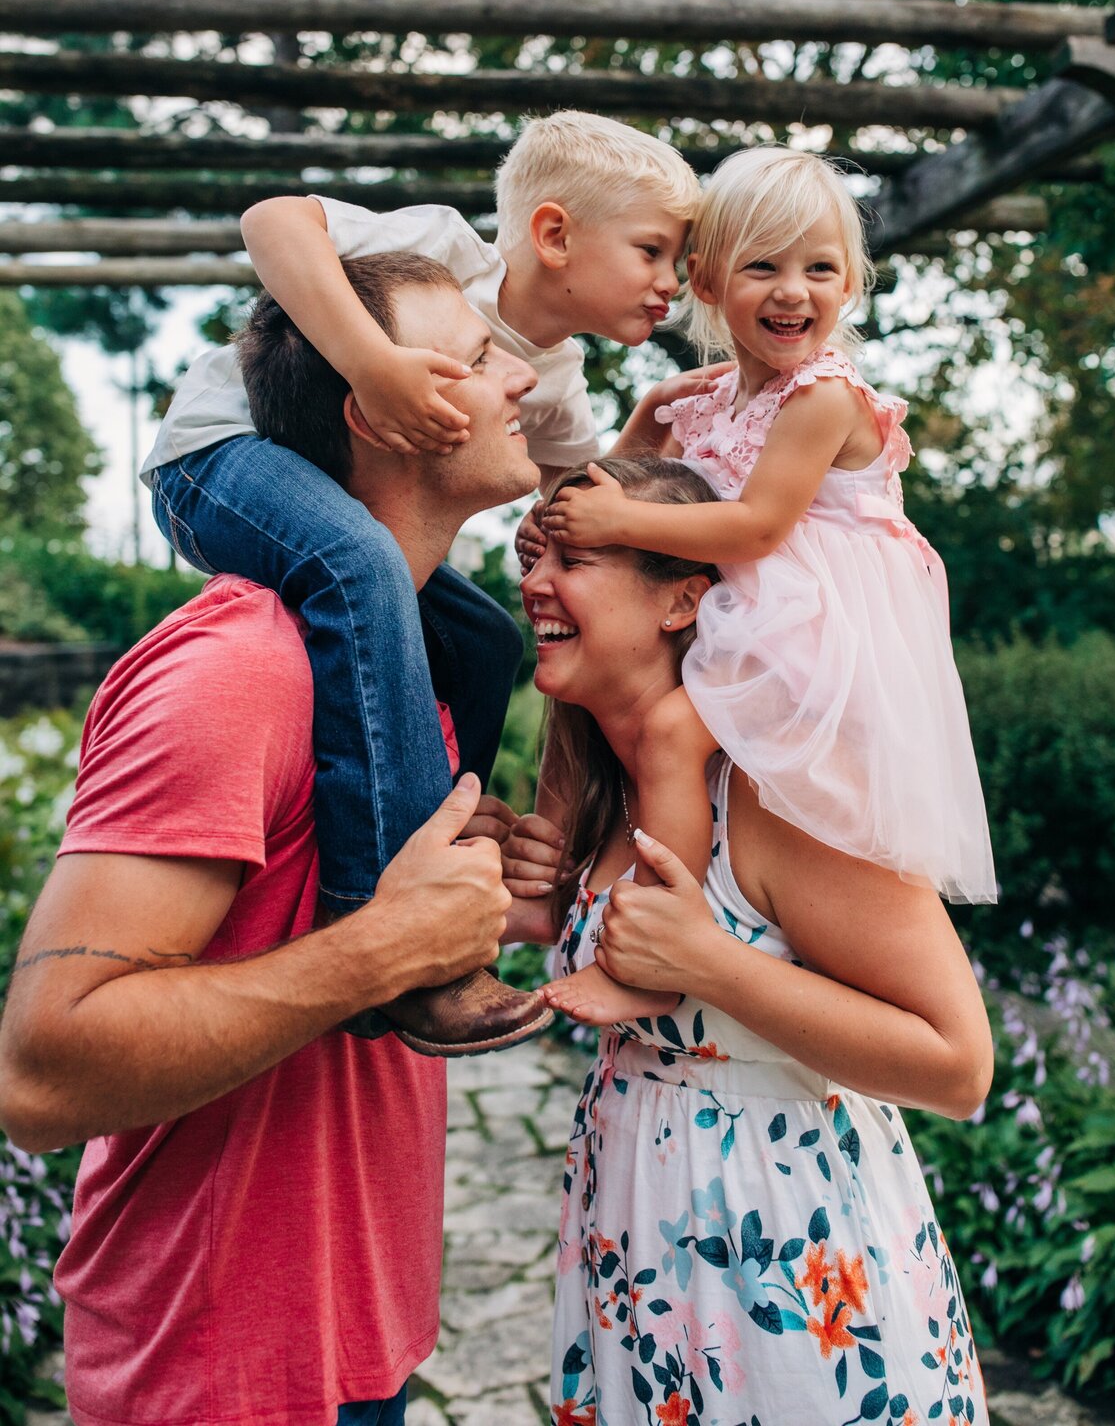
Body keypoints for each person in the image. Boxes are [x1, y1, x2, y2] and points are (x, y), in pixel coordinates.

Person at [0, 251, 546, 1426]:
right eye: (479, 357)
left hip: (356, 1345)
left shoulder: (402, 669)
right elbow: (42, 1076)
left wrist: (485, 899)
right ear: (379, 415)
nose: (523, 378)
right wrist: (385, 949)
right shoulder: (242, 670)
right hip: (216, 1375)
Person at [142, 111, 703, 1053]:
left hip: (342, 503)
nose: (671, 282)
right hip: (222, 457)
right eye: (653, 251)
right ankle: (386, 926)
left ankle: (453, 833)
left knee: (483, 639)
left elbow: (568, 506)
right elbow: (273, 221)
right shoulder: (443, 253)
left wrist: (648, 441)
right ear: (554, 234)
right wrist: (373, 364)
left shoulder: (557, 379)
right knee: (361, 563)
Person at [510, 455, 994, 1426]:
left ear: (683, 599)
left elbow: (958, 1066)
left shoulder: (775, 795)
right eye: (533, 557)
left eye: (574, 558)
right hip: (638, 1239)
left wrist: (709, 965)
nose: (534, 584)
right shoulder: (602, 786)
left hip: (791, 1267)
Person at [541, 145, 995, 1023]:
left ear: (849, 283)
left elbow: (755, 528)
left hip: (815, 629)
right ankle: (549, 881)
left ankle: (658, 947)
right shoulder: (716, 401)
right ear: (708, 282)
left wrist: (619, 523)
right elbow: (633, 481)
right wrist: (644, 421)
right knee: (582, 694)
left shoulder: (824, 397)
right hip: (748, 612)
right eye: (763, 267)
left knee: (669, 734)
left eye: (819, 269)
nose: (794, 291)